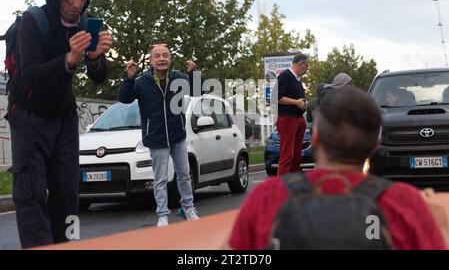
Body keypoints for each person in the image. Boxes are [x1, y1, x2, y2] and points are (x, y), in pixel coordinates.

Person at [223, 86, 447, 250]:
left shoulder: (268, 197)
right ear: (375, 143)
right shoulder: (405, 204)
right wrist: (441, 226)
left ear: (316, 137)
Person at [6, 0, 112, 248]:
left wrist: (95, 57)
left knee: (68, 194)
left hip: (63, 118)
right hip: (28, 117)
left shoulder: (83, 22)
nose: (77, 3)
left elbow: (99, 77)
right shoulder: (32, 22)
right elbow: (29, 75)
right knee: (31, 195)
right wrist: (69, 59)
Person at [118, 44, 199, 227]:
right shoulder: (141, 81)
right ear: (151, 60)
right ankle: (163, 215)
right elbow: (124, 98)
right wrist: (129, 77)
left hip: (177, 135)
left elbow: (197, 92)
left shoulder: (178, 78)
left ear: (170, 59)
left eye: (165, 55)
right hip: (156, 137)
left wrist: (195, 73)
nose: (162, 59)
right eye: (157, 56)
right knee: (160, 179)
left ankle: (188, 208)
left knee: (184, 174)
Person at [275, 53, 309, 176]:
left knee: (296, 156)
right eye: (307, 65)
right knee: (287, 155)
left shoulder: (297, 80)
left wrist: (303, 105)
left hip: (298, 119)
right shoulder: (285, 76)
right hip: (287, 119)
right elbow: (277, 97)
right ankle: (281, 186)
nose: (307, 69)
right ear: (302, 64)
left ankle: (293, 182)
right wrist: (296, 102)